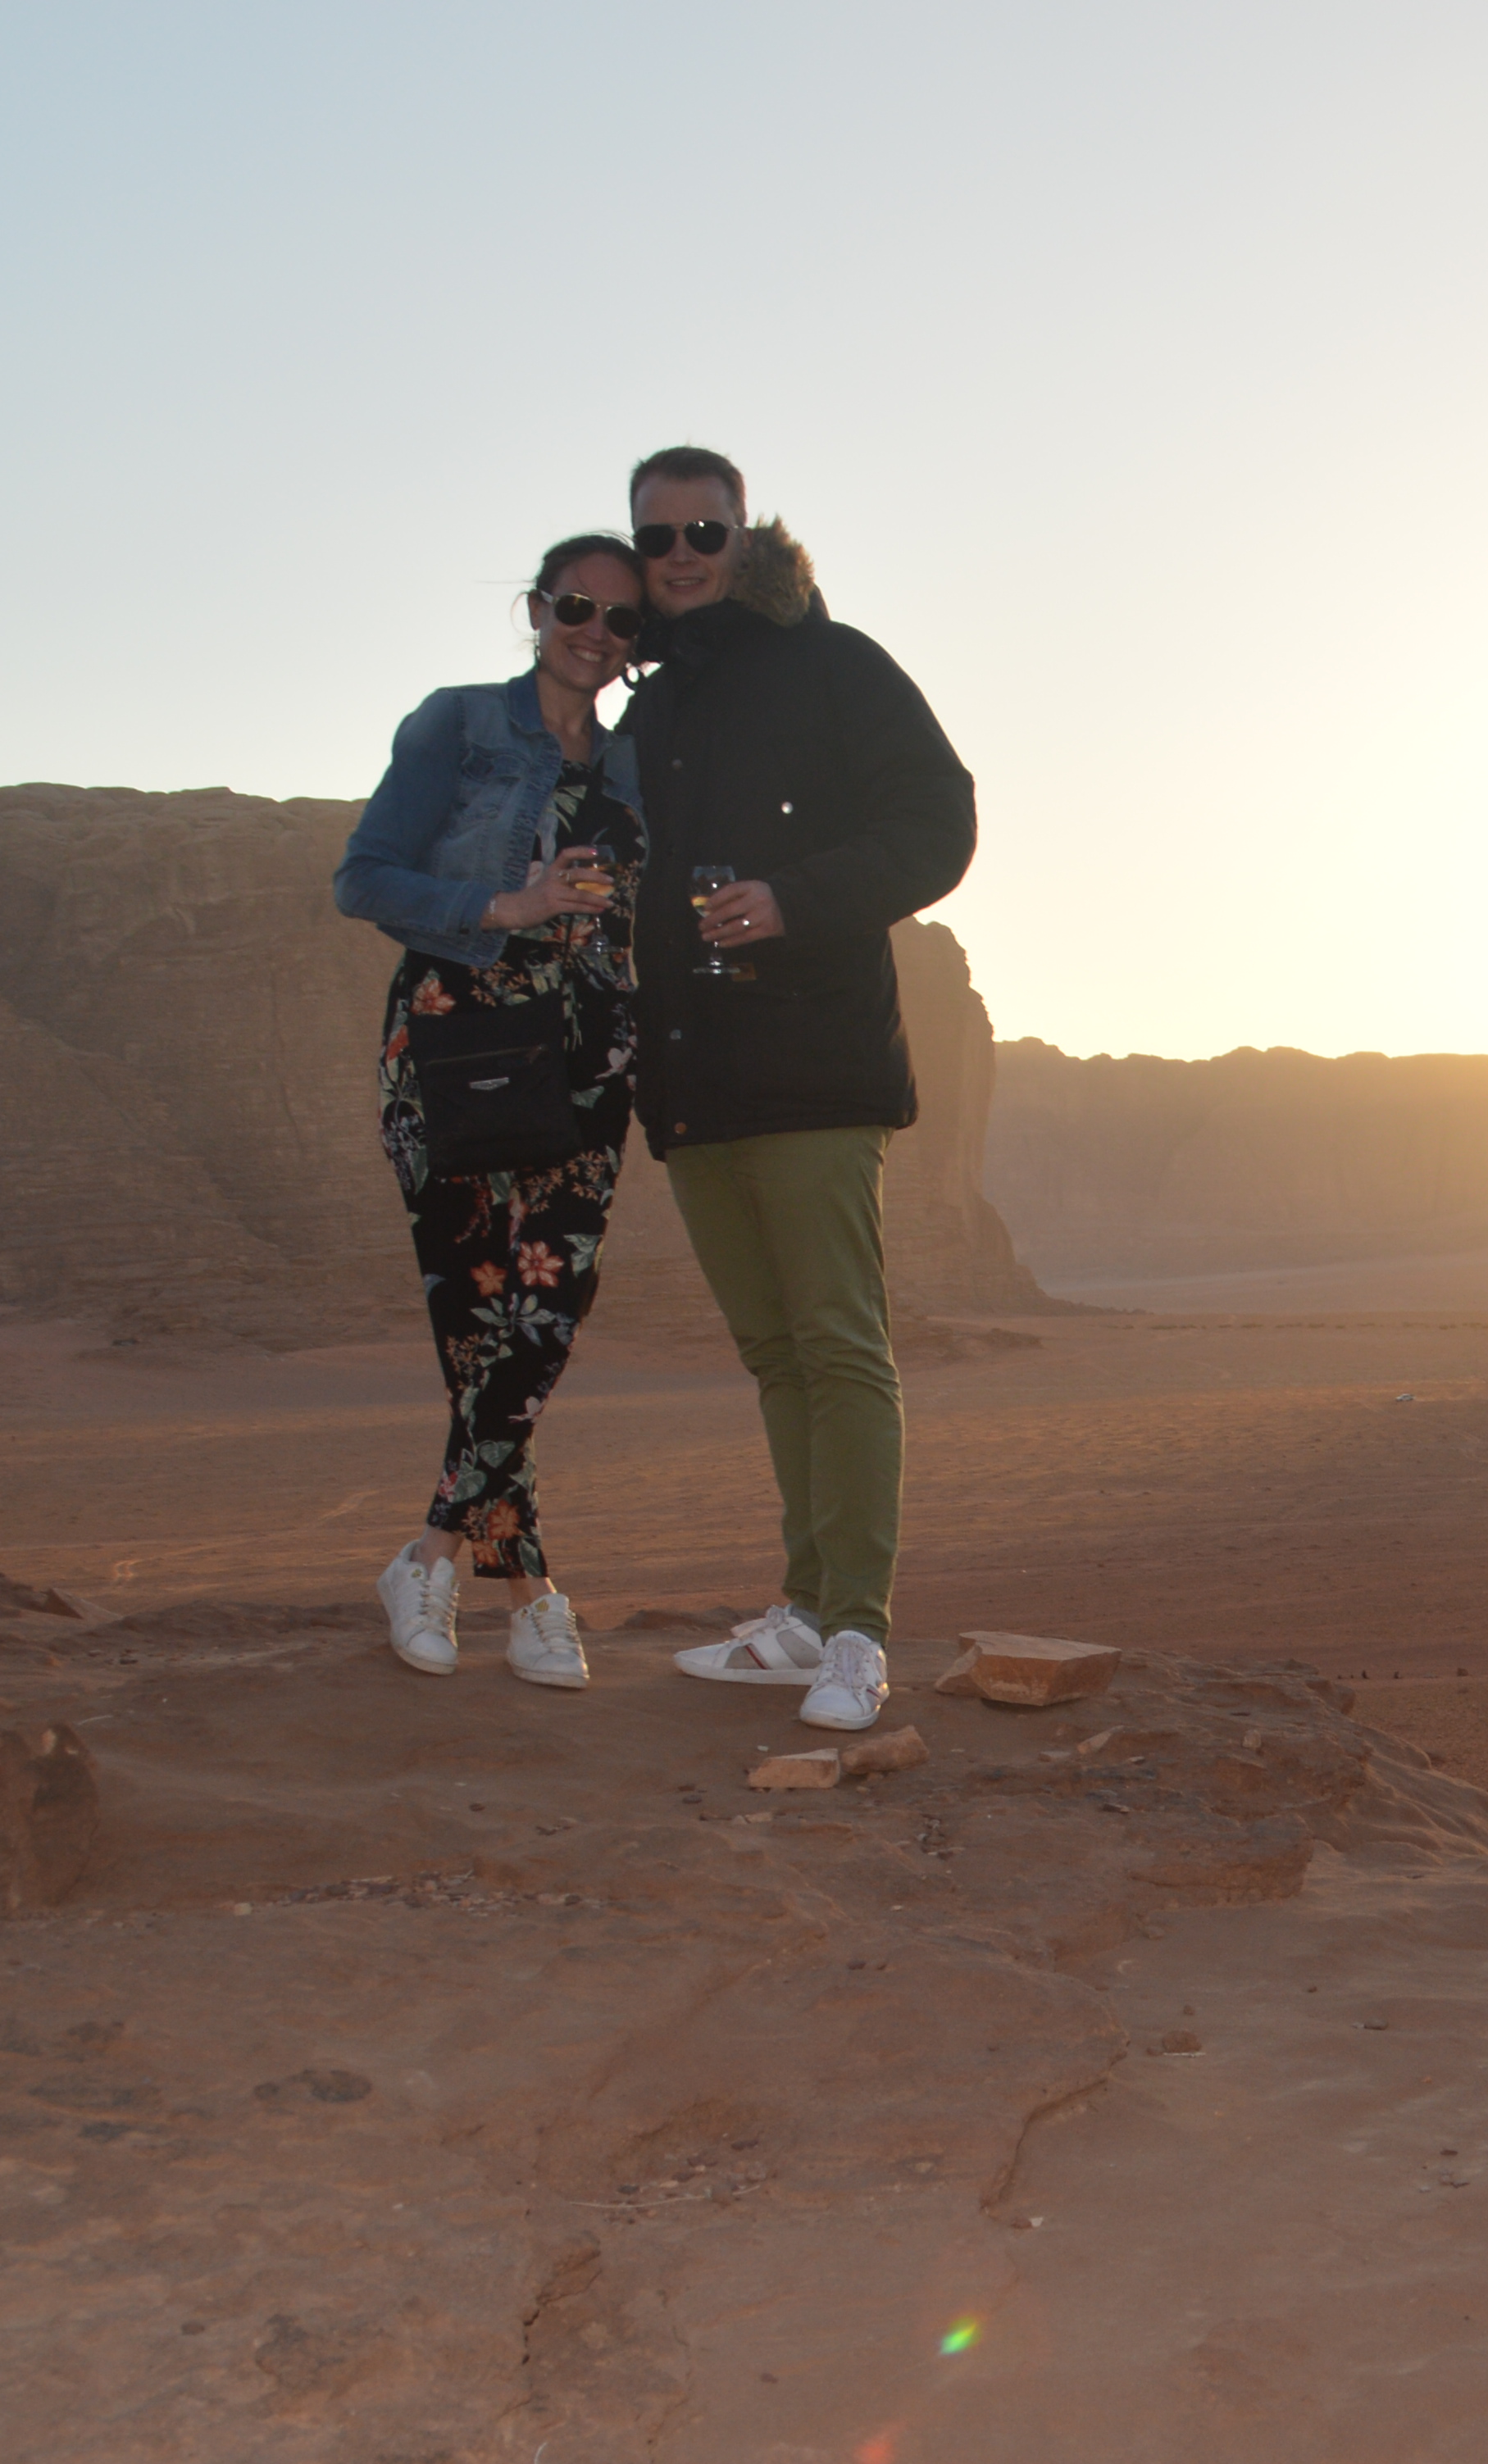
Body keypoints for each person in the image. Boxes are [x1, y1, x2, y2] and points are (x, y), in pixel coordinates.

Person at [612, 446, 977, 1732]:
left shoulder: (836, 666)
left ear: (743, 533)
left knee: (838, 1342)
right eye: (657, 537)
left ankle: (859, 1636)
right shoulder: (652, 710)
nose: (680, 555)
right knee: (774, 1353)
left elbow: (939, 822)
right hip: (696, 1077)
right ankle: (807, 1609)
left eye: (702, 531)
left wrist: (793, 898)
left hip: (814, 1063)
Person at [330, 537, 652, 1689]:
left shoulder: (637, 762)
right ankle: (527, 1594)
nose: (595, 632)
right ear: (536, 608)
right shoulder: (460, 723)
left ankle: (430, 1556)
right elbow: (364, 877)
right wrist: (509, 903)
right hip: (456, 1032)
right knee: (478, 1315)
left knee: (547, 1310)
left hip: (588, 1054)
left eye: (622, 620)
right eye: (576, 606)